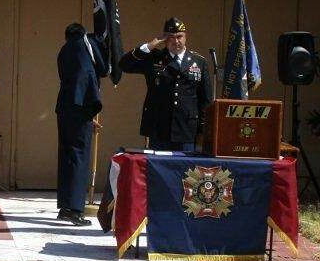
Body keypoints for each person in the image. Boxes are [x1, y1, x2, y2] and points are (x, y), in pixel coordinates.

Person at [119, 16, 213, 151]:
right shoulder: (153, 58)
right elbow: (124, 65)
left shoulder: (199, 62)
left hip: (187, 129)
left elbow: (205, 99)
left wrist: (203, 130)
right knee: (159, 170)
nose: (176, 41)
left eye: (179, 36)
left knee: (185, 171)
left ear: (185, 37)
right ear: (164, 39)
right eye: (171, 37)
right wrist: (149, 46)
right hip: (159, 127)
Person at [55, 23, 107, 226]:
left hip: (65, 107)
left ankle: (65, 206)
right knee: (79, 157)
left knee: (67, 155)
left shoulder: (64, 50)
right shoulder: (87, 44)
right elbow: (103, 69)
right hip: (81, 106)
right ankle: (76, 209)